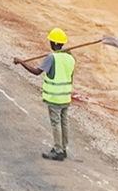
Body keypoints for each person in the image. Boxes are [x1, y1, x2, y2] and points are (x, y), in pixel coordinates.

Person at [14, 28, 76, 161]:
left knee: (56, 123)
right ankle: (63, 148)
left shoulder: (51, 57)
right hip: (66, 96)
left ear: (53, 43)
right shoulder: (70, 58)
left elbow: (37, 72)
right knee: (64, 122)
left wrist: (21, 62)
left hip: (54, 97)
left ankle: (58, 150)